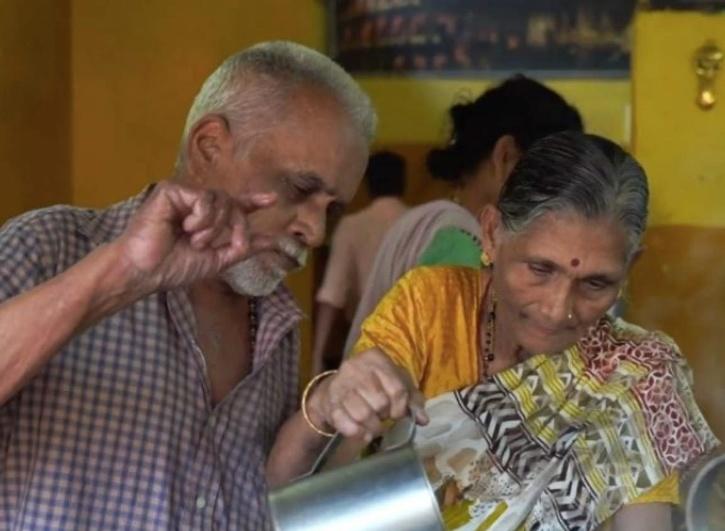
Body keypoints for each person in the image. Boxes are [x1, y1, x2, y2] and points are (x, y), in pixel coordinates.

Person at [0, 41, 375, 529]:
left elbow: (264, 504)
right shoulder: (51, 247)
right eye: (299, 190)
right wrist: (122, 276)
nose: (315, 231)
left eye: (333, 209)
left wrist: (322, 414)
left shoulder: (277, 323)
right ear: (209, 147)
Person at [270, 132, 719, 530]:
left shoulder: (636, 379)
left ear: (629, 269)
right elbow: (302, 505)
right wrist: (331, 401)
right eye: (540, 268)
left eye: (595, 283)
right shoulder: (430, 305)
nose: (557, 309)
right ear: (491, 235)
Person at [344, 75, 583, 353]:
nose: (556, 202)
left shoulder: (421, 220)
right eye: (554, 179)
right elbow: (452, 370)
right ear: (505, 156)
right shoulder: (462, 240)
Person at [312, 150, 408, 374]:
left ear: (366, 184)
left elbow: (332, 296)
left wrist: (316, 359)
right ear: (403, 181)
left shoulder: (352, 226)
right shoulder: (420, 224)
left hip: (365, 342)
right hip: (415, 342)